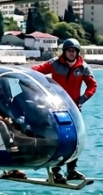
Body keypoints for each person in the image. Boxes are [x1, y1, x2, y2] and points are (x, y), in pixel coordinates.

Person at [32, 38, 97, 182]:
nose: (71, 53)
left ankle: (72, 170)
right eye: (69, 51)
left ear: (77, 52)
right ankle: (56, 171)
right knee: (58, 138)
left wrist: (83, 99)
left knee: (75, 138)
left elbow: (92, 86)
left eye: (74, 51)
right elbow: (35, 71)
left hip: (73, 108)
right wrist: (41, 88)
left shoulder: (83, 67)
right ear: (65, 52)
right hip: (55, 107)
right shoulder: (54, 63)